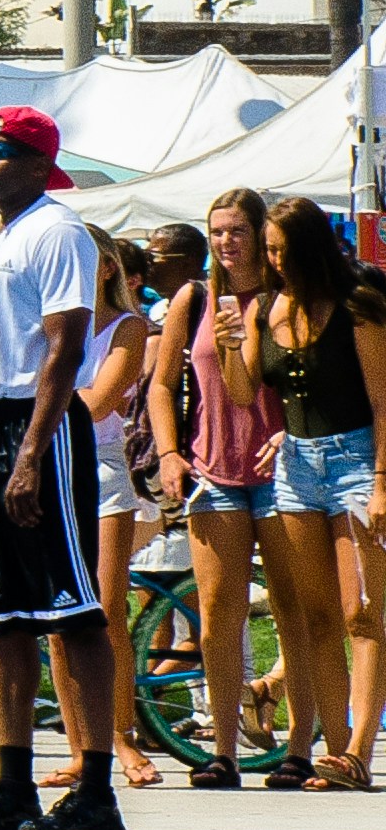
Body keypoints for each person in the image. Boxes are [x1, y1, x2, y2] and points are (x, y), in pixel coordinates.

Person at [0, 106, 120, 830]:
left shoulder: (57, 231)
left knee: (71, 612)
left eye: (2, 150)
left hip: (36, 426)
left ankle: (95, 787)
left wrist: (32, 454)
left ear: (39, 165)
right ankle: (12, 786)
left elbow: (64, 349)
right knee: (0, 618)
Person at [239, 196, 386, 795]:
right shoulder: (265, 308)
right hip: (297, 462)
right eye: (268, 251)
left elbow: (383, 401)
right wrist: (230, 342)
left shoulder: (358, 305)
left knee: (364, 613)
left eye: (282, 249)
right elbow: (242, 390)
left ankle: (357, 751)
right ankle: (331, 750)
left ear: (310, 247)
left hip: (356, 458)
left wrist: (382, 481)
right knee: (316, 615)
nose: (274, 261)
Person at [147, 190, 273, 787]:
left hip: (284, 474)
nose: (227, 241)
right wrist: (170, 452)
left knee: (299, 611)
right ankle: (222, 750)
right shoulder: (193, 299)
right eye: (217, 230)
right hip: (214, 470)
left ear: (259, 232)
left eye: (238, 230)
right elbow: (161, 385)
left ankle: (297, 745)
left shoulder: (284, 296)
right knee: (218, 614)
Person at [81, 235, 165, 789]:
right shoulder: (43, 325)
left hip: (102, 466)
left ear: (107, 269)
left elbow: (99, 403)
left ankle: (121, 736)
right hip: (45, 466)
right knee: (62, 617)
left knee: (105, 609)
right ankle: (80, 745)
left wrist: (25, 404)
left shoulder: (127, 329)